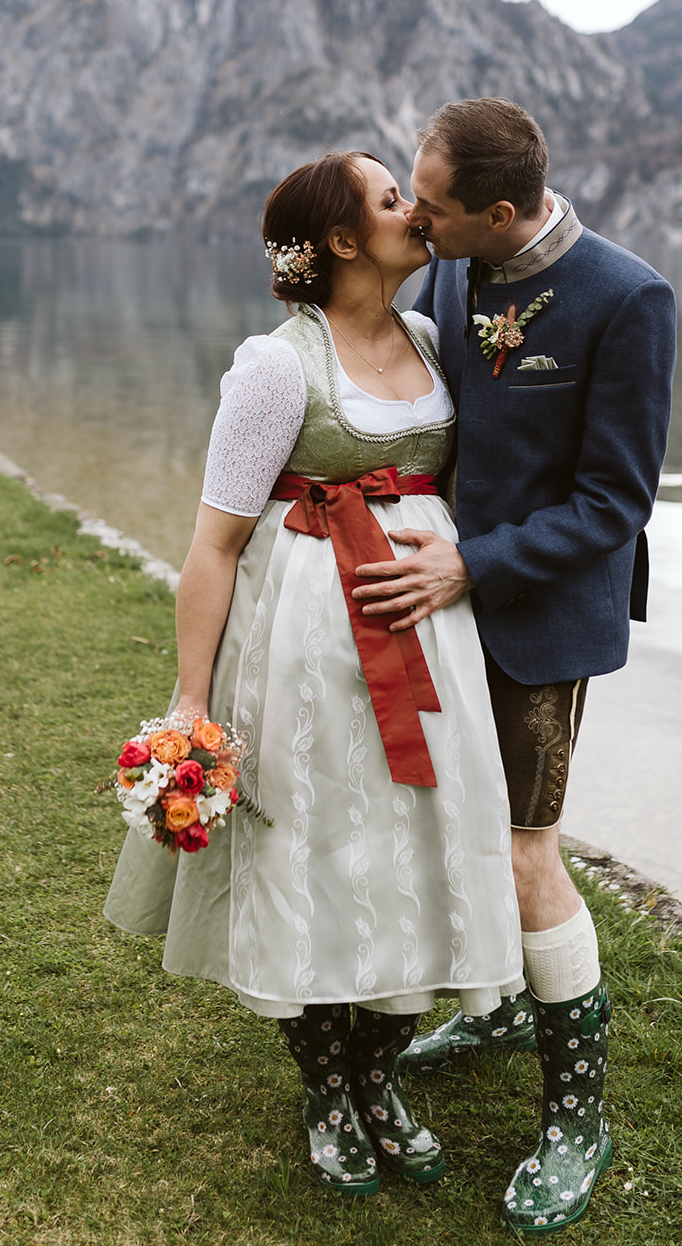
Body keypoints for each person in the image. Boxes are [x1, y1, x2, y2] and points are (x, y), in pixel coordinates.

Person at [104, 151, 523, 1198]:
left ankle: (378, 1076)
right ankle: (325, 1089)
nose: (416, 212)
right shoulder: (276, 366)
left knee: (415, 851)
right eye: (392, 201)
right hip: (305, 645)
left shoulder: (433, 339)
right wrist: (191, 701)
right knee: (322, 856)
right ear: (341, 240)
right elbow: (213, 543)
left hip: (429, 640)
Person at [352, 98, 677, 1234]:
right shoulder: (448, 270)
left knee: (525, 848)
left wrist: (468, 565)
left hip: (536, 616)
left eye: (430, 205)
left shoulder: (625, 296)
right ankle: (493, 1008)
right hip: (433, 606)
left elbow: (614, 502)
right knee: (447, 825)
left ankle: (577, 1117)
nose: (414, 217)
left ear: (496, 211)